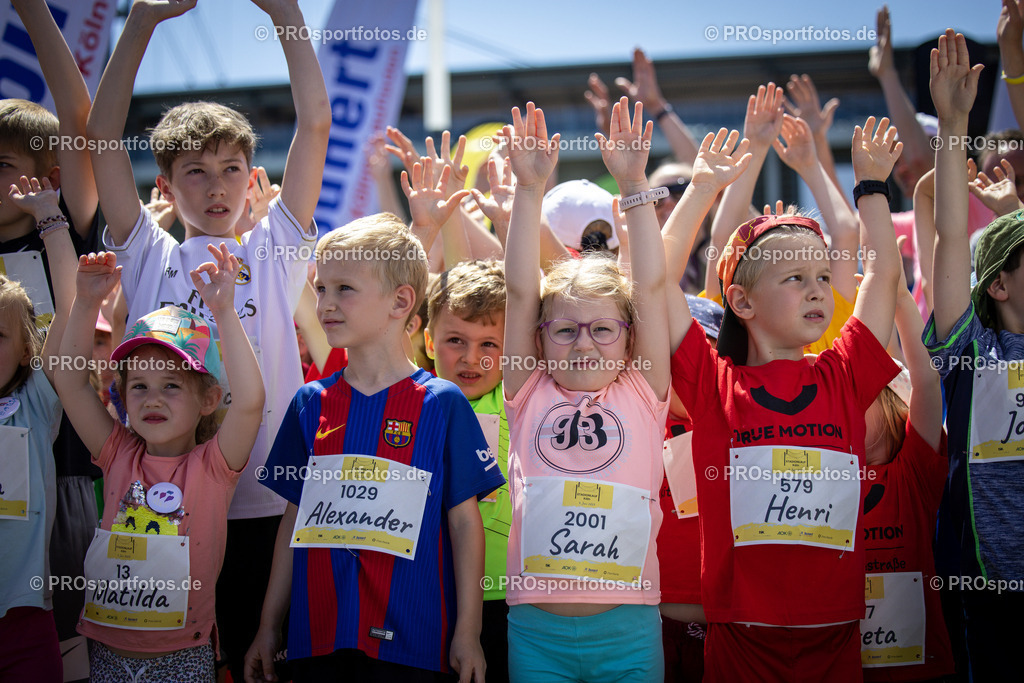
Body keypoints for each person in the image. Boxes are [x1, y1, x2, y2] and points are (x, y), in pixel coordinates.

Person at [84, 1, 330, 677]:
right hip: (165, 510)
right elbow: (100, 138)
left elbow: (316, 122)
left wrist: (286, 15)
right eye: (195, 170)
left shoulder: (274, 249)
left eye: (231, 168)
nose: (216, 187)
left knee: (263, 662)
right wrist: (140, 22)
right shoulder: (147, 254)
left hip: (270, 504)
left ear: (251, 176)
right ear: (164, 184)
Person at [666, 114, 903, 681]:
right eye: (794, 278)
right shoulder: (712, 383)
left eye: (822, 276)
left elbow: (883, 276)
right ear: (741, 302)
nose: (818, 290)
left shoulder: (845, 374)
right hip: (740, 638)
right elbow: (655, 284)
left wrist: (872, 186)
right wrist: (700, 189)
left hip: (838, 634)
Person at [246, 214, 504, 683]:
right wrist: (268, 625)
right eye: (320, 289)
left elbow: (465, 524)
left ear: (401, 301)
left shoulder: (442, 403)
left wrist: (468, 632)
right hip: (317, 638)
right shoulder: (309, 403)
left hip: (415, 644)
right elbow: (292, 523)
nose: (326, 303)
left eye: (344, 289)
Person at [501, 98, 670, 683]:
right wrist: (528, 191)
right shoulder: (527, 389)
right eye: (565, 330)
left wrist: (634, 185)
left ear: (629, 337)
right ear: (539, 338)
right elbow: (520, 291)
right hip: (535, 634)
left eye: (602, 329)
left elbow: (650, 287)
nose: (583, 344)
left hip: (630, 633)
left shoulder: (644, 388)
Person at [51, 242, 263, 680]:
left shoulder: (213, 466)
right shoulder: (117, 452)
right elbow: (69, 383)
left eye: (171, 385)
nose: (152, 399)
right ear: (122, 394)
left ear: (208, 398)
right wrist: (87, 302)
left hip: (182, 658)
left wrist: (225, 311)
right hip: (106, 654)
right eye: (139, 386)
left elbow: (249, 404)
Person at [925, 29, 1024, 680]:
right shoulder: (971, 348)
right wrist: (953, 126)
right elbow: (950, 235)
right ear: (998, 285)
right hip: (987, 593)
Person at [0, 175, 78, 682]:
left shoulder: (34, 402)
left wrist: (50, 219)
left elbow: (72, 307)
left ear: (27, 350)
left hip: (26, 621)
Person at [424, 259, 510, 682]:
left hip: (507, 597)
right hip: (428, 593)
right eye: (455, 340)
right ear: (428, 340)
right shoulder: (412, 400)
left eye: (489, 344)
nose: (471, 358)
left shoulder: (518, 400)